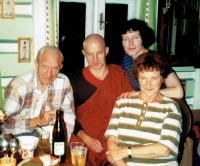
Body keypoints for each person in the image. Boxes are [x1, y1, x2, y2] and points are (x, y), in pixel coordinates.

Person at [104, 52, 182, 166]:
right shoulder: (122, 102)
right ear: (137, 78)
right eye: (143, 78)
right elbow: (112, 141)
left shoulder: (171, 108)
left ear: (163, 79)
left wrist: (126, 151)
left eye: (154, 78)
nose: (148, 84)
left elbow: (164, 150)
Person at [69, 34, 134, 166]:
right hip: (86, 140)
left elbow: (133, 107)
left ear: (106, 51)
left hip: (116, 139)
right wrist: (86, 138)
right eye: (90, 54)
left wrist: (118, 144)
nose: (95, 59)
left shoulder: (119, 75)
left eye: (99, 52)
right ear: (83, 53)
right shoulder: (75, 82)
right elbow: (67, 116)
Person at [3, 45, 75, 140]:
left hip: (49, 141)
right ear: (36, 64)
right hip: (20, 142)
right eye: (45, 66)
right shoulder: (18, 86)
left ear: (60, 67)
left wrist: (61, 143)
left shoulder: (63, 82)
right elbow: (6, 127)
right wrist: (37, 121)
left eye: (55, 68)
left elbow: (69, 119)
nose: (49, 74)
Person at [119, 18, 184, 99]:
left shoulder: (155, 59)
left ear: (143, 39)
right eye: (125, 39)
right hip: (148, 103)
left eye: (135, 38)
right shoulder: (125, 60)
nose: (130, 43)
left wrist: (141, 94)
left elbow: (178, 92)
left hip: (169, 104)